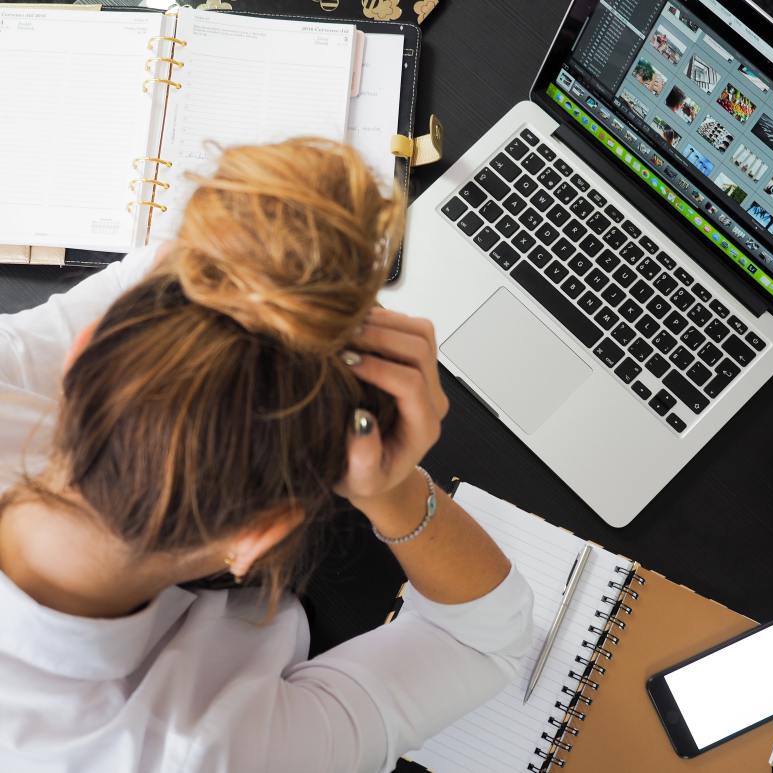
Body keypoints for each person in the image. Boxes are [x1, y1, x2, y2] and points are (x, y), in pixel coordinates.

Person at [0, 138, 534, 772]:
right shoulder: (206, 756)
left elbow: (167, 266)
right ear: (259, 539)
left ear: (84, 350)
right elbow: (482, 641)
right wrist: (392, 491)